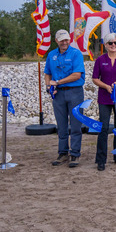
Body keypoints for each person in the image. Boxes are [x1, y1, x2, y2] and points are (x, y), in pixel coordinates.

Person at [44, 29, 85, 168]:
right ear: (56, 41)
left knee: (75, 125)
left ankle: (75, 153)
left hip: (75, 92)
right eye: (61, 40)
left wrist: (58, 82)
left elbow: (77, 75)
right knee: (61, 126)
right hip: (58, 94)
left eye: (66, 39)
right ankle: (62, 153)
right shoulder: (51, 55)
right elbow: (47, 73)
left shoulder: (76, 53)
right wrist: (48, 86)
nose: (65, 42)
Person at [91, 33, 116, 171]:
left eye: (115, 43)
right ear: (106, 45)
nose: (113, 45)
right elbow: (95, 78)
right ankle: (101, 159)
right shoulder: (100, 60)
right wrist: (106, 86)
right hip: (104, 97)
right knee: (103, 128)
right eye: (110, 43)